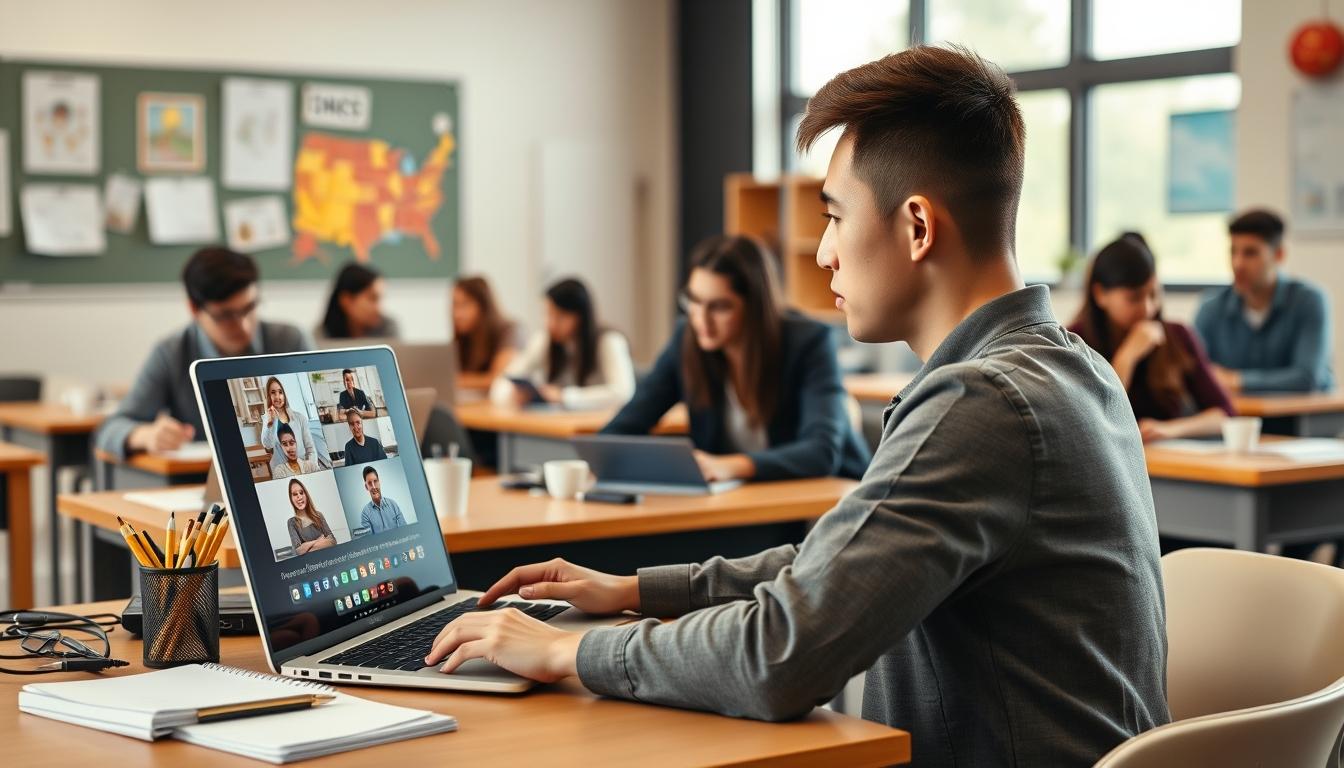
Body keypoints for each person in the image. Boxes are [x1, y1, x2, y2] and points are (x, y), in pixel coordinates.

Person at [423, 46, 1168, 767]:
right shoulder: (1073, 366)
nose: (823, 255)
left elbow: (779, 658)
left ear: (916, 226)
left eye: (835, 218)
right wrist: (637, 590)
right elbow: (843, 563)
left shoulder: (982, 403)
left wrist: (565, 648)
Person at [602, 235, 869, 482]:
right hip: (742, 503)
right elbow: (620, 430)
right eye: (693, 301)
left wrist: (727, 466)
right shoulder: (688, 339)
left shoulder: (810, 342)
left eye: (719, 306)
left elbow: (821, 453)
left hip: (830, 499)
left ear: (755, 307)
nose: (701, 319)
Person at [95, 247, 312, 458]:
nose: (244, 326)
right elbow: (110, 428)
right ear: (194, 309)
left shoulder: (290, 340)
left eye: (249, 308)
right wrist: (146, 435)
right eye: (226, 316)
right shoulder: (171, 353)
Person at [1070, 233, 1234, 442]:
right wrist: (1127, 357)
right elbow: (1090, 420)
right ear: (1100, 294)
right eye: (1134, 298)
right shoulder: (1074, 341)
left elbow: (1224, 413)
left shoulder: (1177, 335)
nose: (1147, 308)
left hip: (1168, 463)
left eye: (1153, 295)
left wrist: (1171, 429)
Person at [1195, 209, 1334, 394]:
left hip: (1301, 419)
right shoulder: (1211, 307)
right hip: (1236, 419)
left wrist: (1237, 380)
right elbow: (1193, 373)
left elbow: (1307, 377)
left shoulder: (1309, 302)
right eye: (1233, 252)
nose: (1238, 264)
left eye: (1250, 253)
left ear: (1279, 255)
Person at [489, 278, 636, 410]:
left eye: (559, 316)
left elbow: (623, 393)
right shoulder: (545, 340)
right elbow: (505, 380)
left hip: (598, 425)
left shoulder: (609, 341)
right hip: (559, 425)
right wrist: (513, 396)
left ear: (580, 317)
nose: (550, 324)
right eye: (548, 315)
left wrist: (565, 396)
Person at [453, 275, 519, 393]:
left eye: (464, 304)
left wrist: (455, 380)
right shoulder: (463, 338)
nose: (457, 314)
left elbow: (498, 379)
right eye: (455, 305)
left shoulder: (510, 331)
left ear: (483, 306)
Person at [317, 262, 400, 340]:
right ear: (346, 300)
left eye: (380, 299)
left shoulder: (388, 329)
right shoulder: (322, 334)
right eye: (372, 298)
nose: (379, 308)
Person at [259, 376, 323, 471]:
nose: (277, 396)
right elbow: (268, 445)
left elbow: (310, 448)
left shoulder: (300, 418)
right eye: (273, 393)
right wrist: (270, 423)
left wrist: (310, 468)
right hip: (282, 471)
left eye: (280, 392)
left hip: (304, 468)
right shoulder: (267, 420)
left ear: (284, 394)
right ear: (268, 396)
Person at [285, 478, 335, 556]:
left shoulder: (318, 515)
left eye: (301, 493)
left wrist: (306, 547)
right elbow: (298, 551)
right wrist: (318, 541)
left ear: (306, 495)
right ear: (291, 499)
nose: (299, 497)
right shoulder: (291, 522)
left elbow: (332, 541)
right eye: (295, 494)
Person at [358, 465, 406, 534]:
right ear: (366, 487)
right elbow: (369, 541)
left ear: (379, 482)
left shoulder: (393, 505)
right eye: (369, 483)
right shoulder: (365, 514)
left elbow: (405, 530)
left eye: (375, 481)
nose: (374, 486)